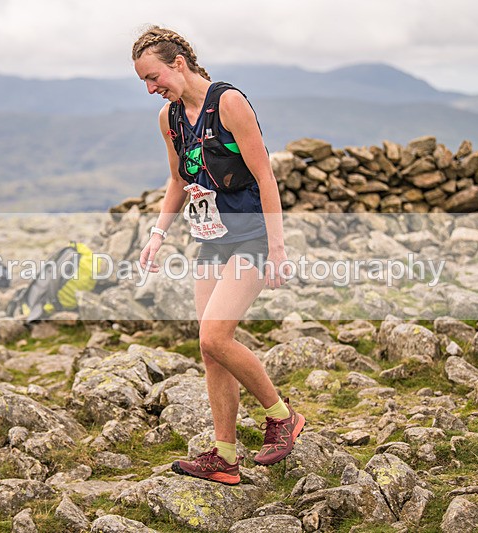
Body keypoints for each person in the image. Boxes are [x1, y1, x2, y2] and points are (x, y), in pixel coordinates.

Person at [132, 26, 305, 485]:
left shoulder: (228, 103)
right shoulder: (169, 119)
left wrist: (278, 248)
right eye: (144, 83)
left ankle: (281, 416)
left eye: (154, 77)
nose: (152, 89)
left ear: (178, 64)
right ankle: (225, 455)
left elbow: (265, 177)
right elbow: (175, 180)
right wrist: (156, 235)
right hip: (210, 238)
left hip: (250, 236)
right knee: (211, 352)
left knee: (214, 336)